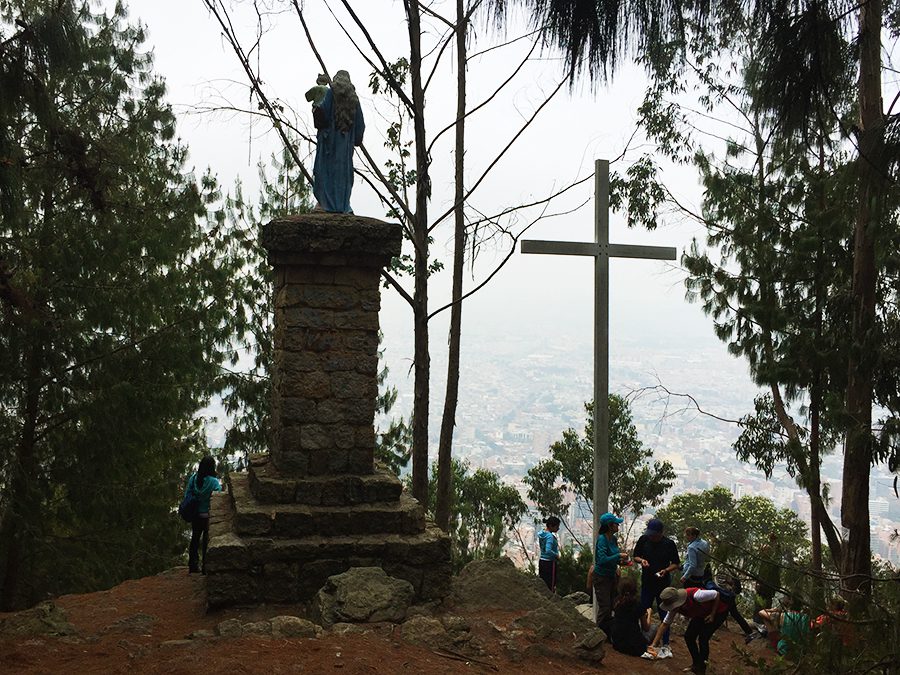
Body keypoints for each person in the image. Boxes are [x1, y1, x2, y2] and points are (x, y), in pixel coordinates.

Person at [312, 69, 365, 213]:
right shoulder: (355, 101)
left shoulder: (330, 93)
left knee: (325, 172)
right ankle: (343, 205)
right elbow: (360, 131)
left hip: (328, 146)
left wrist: (316, 102)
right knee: (343, 176)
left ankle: (325, 204)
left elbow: (321, 116)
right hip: (344, 151)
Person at [650, 586, 732, 674]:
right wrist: (653, 645)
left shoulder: (697, 595)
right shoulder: (673, 609)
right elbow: (665, 624)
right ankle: (696, 665)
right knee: (689, 636)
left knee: (703, 638)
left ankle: (702, 669)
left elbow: (716, 594)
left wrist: (712, 614)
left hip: (719, 611)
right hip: (701, 613)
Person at [632, 517, 680, 659]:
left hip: (663, 585)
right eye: (650, 534)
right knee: (642, 610)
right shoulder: (644, 540)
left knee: (664, 614)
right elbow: (636, 556)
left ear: (661, 533)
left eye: (654, 535)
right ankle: (640, 640)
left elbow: (676, 563)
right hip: (647, 582)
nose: (651, 537)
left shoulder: (669, 544)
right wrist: (642, 561)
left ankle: (665, 644)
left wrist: (666, 570)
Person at [593, 512, 629, 636]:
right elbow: (602, 559)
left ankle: (607, 631)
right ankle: (597, 633)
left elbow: (611, 557)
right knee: (605, 607)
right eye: (616, 524)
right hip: (602, 577)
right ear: (610, 526)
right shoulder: (602, 540)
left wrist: (621, 562)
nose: (618, 526)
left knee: (613, 604)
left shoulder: (612, 539)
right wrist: (618, 555)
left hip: (612, 575)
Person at [185, 456, 222, 574]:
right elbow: (218, 495)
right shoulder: (214, 482)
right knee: (206, 542)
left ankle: (193, 566)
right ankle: (206, 568)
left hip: (196, 515)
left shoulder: (193, 478)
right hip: (208, 516)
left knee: (195, 540)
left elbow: (187, 495)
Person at [610, 577, 652, 656]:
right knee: (654, 628)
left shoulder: (616, 602)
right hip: (635, 647)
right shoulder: (638, 605)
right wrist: (649, 614)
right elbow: (646, 628)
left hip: (617, 643)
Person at [537, 516, 561, 592]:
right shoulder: (550, 536)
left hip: (542, 561)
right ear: (551, 526)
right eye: (557, 526)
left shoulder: (542, 534)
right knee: (551, 584)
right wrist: (556, 555)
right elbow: (548, 550)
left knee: (543, 582)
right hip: (549, 562)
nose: (558, 528)